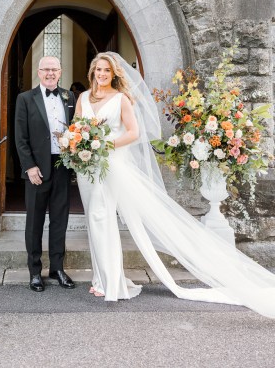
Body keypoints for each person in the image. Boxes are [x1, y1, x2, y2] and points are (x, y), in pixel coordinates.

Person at [75, 52, 275, 318]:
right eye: (98, 70)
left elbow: (134, 133)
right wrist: (79, 142)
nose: (101, 75)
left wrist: (104, 144)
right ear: (92, 72)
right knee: (93, 218)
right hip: (87, 168)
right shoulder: (83, 98)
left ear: (114, 75)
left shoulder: (121, 99)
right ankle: (100, 279)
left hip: (111, 166)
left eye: (106, 71)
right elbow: (76, 127)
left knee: (103, 218)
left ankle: (111, 283)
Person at [15, 56, 76, 292]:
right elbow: (20, 137)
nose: (50, 73)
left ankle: (57, 268)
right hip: (37, 168)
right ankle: (34, 272)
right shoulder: (25, 99)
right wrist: (29, 166)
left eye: (54, 69)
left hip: (62, 165)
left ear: (60, 72)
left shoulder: (69, 97)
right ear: (39, 72)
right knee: (35, 222)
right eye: (46, 69)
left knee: (60, 220)